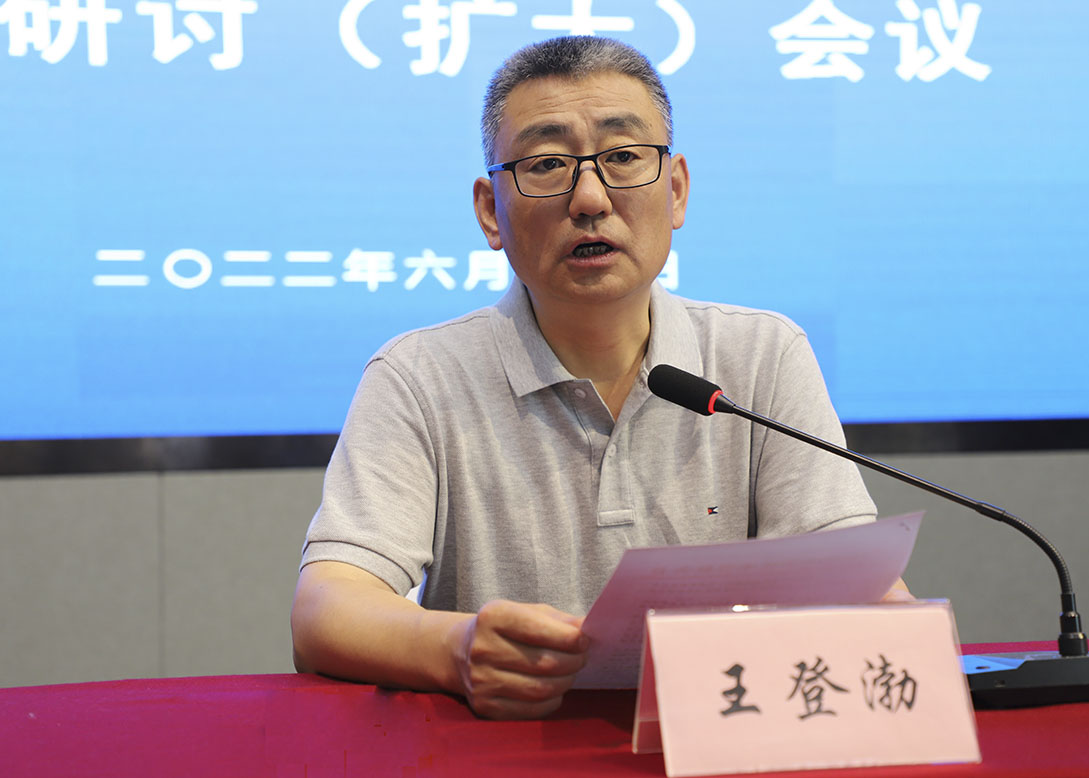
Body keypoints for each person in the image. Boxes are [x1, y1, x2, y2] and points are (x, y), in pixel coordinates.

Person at [291, 36, 905, 721]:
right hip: (505, 752)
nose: (589, 198)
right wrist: (455, 648)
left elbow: (857, 585)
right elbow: (326, 609)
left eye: (622, 157)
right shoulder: (419, 376)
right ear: (490, 211)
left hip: (720, 745)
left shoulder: (761, 354)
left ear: (675, 190)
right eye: (546, 164)